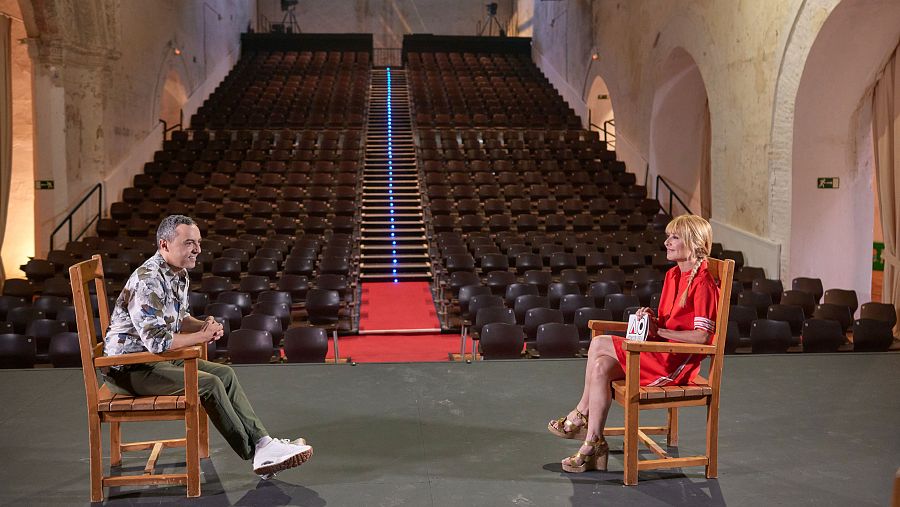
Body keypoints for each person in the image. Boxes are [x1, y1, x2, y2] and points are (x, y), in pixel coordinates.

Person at [103, 215, 312, 479]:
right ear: (164, 244)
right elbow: (158, 342)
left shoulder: (178, 273)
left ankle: (264, 443)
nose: (197, 250)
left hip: (152, 361)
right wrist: (202, 337)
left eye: (198, 242)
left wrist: (203, 326)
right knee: (209, 384)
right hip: (126, 369)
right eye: (189, 243)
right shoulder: (148, 280)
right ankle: (256, 454)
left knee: (225, 374)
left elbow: (179, 319)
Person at [547, 214, 720, 473]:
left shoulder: (704, 282)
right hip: (658, 351)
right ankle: (593, 443)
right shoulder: (673, 275)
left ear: (693, 243)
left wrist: (660, 330)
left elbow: (703, 337)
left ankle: (580, 413)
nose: (666, 243)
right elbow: (669, 322)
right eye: (668, 237)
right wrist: (651, 319)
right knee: (600, 367)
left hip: (675, 364)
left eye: (674, 237)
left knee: (600, 343)